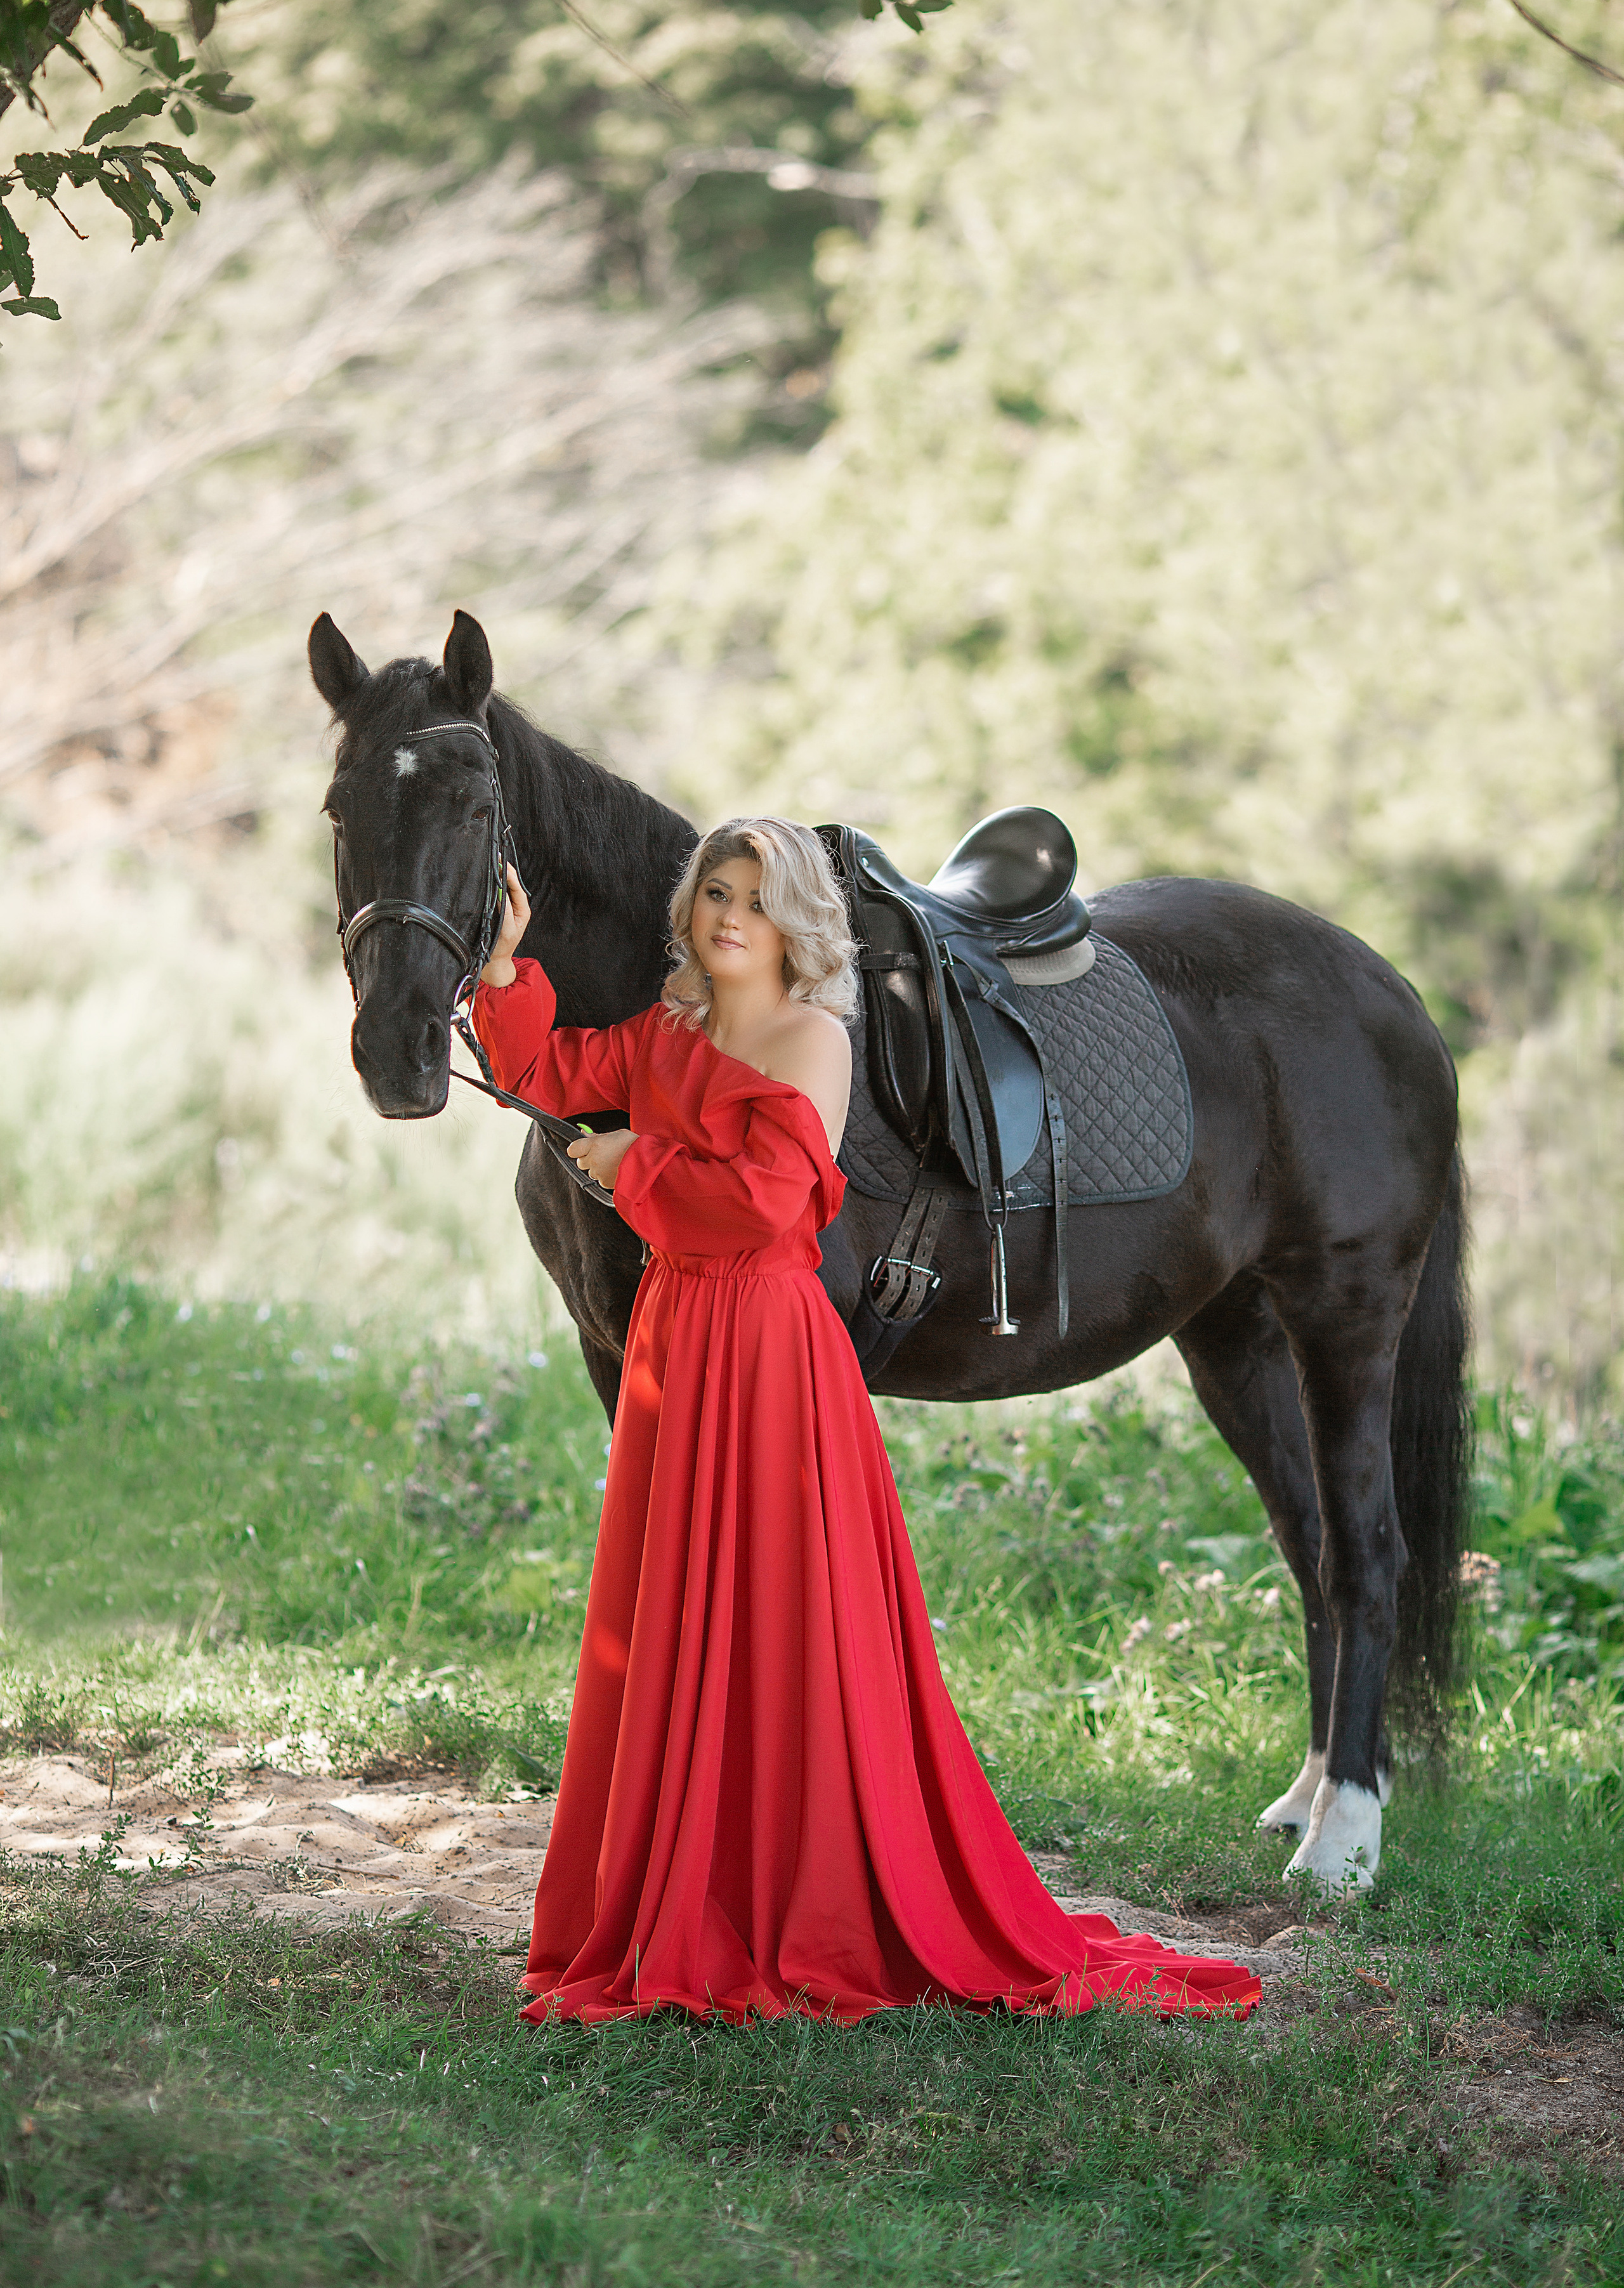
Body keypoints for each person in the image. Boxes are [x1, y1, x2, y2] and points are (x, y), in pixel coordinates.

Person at [472, 816, 1260, 2025]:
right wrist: (504, 970)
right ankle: (691, 1863)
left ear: (799, 927)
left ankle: (801, 1886)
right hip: (683, 1338)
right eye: (714, 893)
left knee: (782, 1610)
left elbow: (762, 1206)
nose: (730, 917)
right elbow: (544, 1076)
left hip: (768, 1348)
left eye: (758, 899)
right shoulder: (666, 1030)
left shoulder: (809, 1043)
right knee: (681, 1602)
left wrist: (632, 1166)